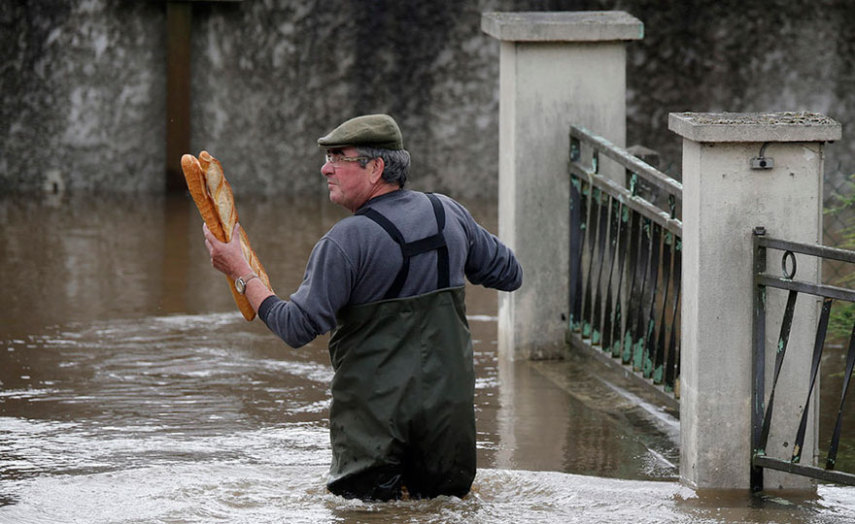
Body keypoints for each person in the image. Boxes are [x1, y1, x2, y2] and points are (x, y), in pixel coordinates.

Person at [203, 114, 522, 501]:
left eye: (338, 157)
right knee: (444, 509)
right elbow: (510, 274)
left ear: (376, 168)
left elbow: (295, 328)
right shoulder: (448, 214)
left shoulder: (345, 242)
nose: (325, 168)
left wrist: (240, 273)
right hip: (448, 423)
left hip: (374, 429)